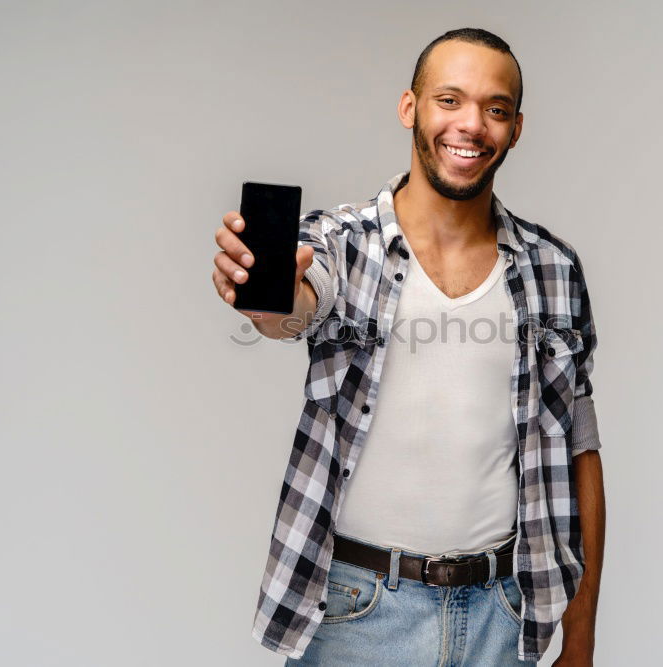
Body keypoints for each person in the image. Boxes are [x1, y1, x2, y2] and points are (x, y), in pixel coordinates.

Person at [213, 27, 605, 666]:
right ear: (410, 108)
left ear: (516, 127)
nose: (471, 125)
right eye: (449, 100)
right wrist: (268, 298)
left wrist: (580, 639)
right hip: (355, 616)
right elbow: (298, 302)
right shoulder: (343, 243)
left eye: (495, 108)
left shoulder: (552, 271)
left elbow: (579, 453)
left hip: (503, 618)